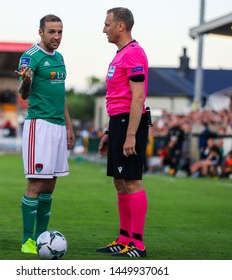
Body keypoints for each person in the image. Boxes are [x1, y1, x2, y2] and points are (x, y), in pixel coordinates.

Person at [14, 14, 75, 255]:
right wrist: (26, 81)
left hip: (59, 127)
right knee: (36, 183)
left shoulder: (59, 58)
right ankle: (27, 241)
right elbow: (23, 93)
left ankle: (42, 237)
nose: (56, 37)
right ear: (40, 32)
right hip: (39, 127)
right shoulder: (31, 56)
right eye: (51, 32)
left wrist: (69, 127)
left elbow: (61, 96)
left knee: (50, 184)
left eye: (59, 32)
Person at [96, 7, 149, 258]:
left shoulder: (134, 54)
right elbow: (118, 97)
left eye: (107, 24)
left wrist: (130, 134)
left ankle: (138, 244)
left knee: (132, 181)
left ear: (120, 26)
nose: (104, 29)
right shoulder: (120, 55)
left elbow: (137, 97)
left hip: (130, 123)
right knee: (119, 182)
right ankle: (124, 238)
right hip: (118, 122)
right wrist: (110, 130)